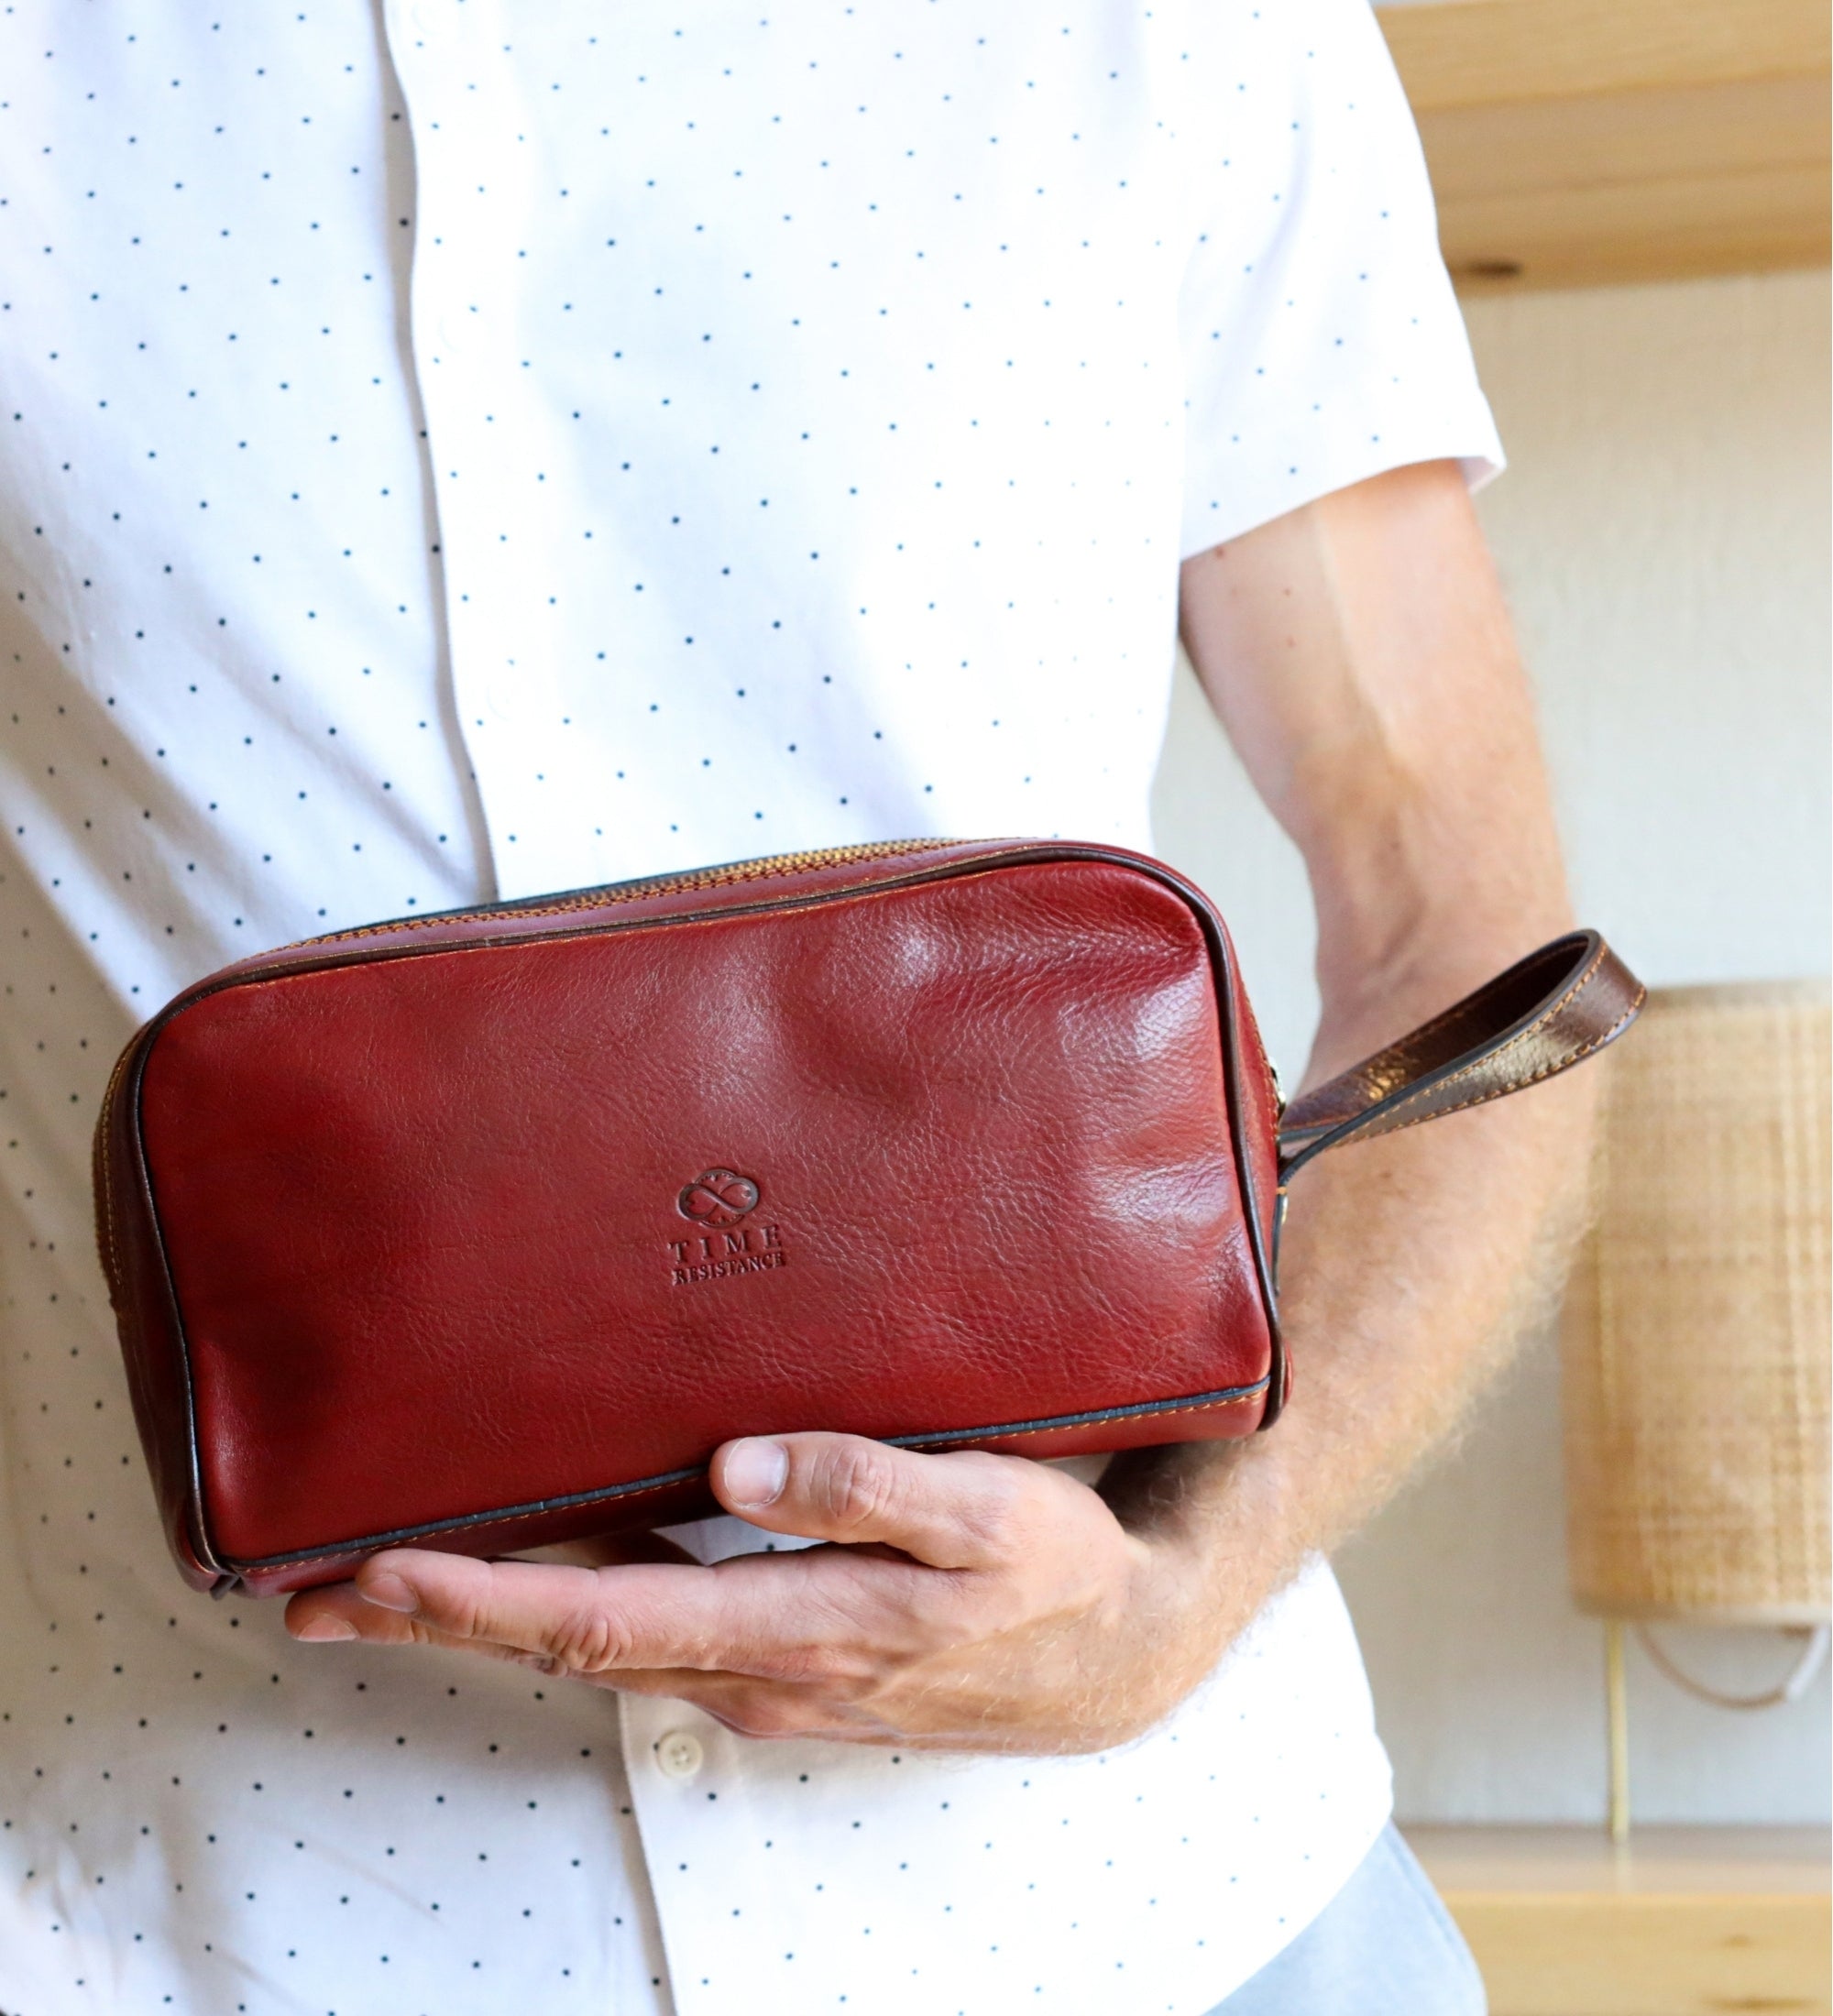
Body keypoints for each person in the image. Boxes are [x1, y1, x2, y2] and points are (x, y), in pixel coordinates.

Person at [0, 2, 1589, 2011]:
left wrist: (1185, 1590)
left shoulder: (1177, 31)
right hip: (194, 1917)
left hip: (1164, 1914)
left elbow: (1472, 952)